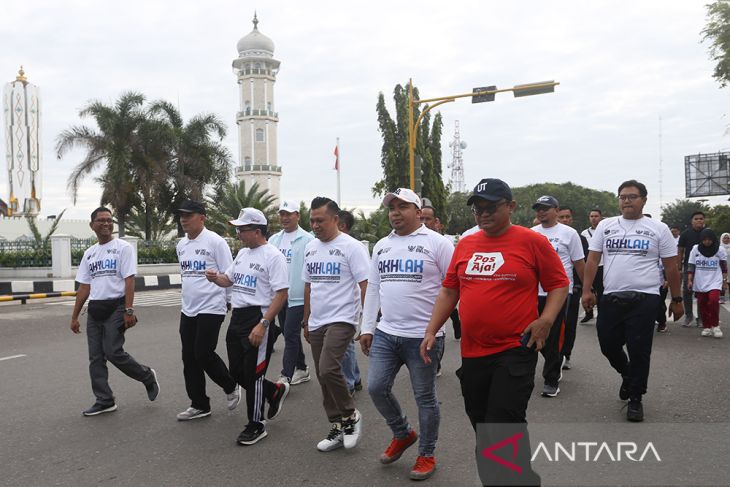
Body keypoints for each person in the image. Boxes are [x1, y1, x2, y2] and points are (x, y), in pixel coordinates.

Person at [419, 179, 569, 487]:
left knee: (502, 422)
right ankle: (520, 477)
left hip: (515, 348)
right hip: (474, 353)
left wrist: (546, 320)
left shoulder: (531, 242)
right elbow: (449, 290)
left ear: (510, 206)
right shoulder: (467, 244)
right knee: (482, 421)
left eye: (490, 207)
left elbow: (559, 284)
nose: (482, 214)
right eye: (477, 209)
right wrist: (431, 330)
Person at [361, 189, 454, 481]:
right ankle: (402, 433)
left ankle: (426, 453)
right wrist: (367, 327)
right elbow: (373, 288)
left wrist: (435, 329)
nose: (395, 212)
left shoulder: (438, 243)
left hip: (423, 337)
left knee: (425, 397)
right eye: (391, 207)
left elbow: (454, 288)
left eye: (402, 207)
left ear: (417, 210)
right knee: (376, 388)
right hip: (387, 333)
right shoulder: (381, 246)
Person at [582, 180, 683, 422]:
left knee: (639, 350)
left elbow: (671, 266)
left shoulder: (659, 229)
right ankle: (627, 375)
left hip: (645, 298)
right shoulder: (605, 226)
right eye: (623, 197)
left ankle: (636, 398)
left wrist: (677, 299)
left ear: (644, 200)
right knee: (608, 345)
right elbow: (593, 260)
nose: (627, 201)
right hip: (611, 296)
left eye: (632, 196)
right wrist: (587, 291)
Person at [206, 207, 290, 445]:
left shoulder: (273, 256)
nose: (238, 233)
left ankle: (257, 424)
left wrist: (264, 324)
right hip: (238, 317)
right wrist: (215, 278)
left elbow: (281, 293)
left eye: (242, 229)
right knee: (236, 372)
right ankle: (273, 391)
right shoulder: (242, 254)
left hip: (258, 317)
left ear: (256, 230)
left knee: (253, 375)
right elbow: (228, 280)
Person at [70, 207, 160, 416]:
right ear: (92, 225)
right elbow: (84, 287)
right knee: (96, 357)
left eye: (109, 220)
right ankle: (104, 399)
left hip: (117, 306)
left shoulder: (123, 248)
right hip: (95, 309)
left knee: (113, 352)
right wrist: (74, 317)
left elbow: (129, 280)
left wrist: (129, 310)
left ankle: (146, 376)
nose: (106, 223)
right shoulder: (89, 254)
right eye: (101, 220)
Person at [303, 197, 370, 452]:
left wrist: (367, 323)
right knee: (322, 376)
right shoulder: (310, 248)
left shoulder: (351, 247)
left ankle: (351, 414)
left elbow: (366, 285)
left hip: (342, 319)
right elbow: (308, 286)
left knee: (329, 368)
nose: (315, 225)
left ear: (336, 220)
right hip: (317, 320)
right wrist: (306, 321)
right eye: (312, 220)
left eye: (320, 220)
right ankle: (337, 424)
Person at [175, 200, 240, 421]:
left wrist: (230, 300)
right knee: (189, 357)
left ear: (202, 217)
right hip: (189, 308)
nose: (184, 219)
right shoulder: (181, 245)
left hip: (212, 305)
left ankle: (230, 385)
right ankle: (199, 404)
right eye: (182, 215)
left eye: (189, 215)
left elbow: (229, 273)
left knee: (203, 352)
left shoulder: (215, 242)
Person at [531, 197, 584, 396]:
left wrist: (587, 289)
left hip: (559, 292)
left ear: (556, 210)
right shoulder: (531, 234)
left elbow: (579, 263)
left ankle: (551, 379)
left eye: (545, 209)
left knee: (552, 336)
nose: (541, 212)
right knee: (531, 334)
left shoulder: (569, 234)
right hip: (534, 292)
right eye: (538, 209)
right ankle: (556, 360)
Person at [269, 200, 314, 386]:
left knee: (290, 333)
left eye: (289, 214)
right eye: (282, 214)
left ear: (298, 216)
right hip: (280, 297)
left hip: (298, 297)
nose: (285, 218)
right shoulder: (274, 240)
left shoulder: (308, 240)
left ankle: (285, 376)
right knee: (290, 335)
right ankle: (302, 369)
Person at [421, 205, 461, 341]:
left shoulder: (443, 241)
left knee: (448, 306)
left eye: (427, 219)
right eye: (421, 218)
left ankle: (456, 323)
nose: (424, 222)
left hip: (443, 283)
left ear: (435, 221)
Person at [556, 206, 588, 370]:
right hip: (548, 288)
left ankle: (565, 353)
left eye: (568, 217)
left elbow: (583, 264)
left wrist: (585, 287)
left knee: (568, 323)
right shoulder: (546, 235)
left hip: (572, 287)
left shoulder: (579, 238)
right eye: (561, 217)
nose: (565, 220)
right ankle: (553, 354)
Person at [336, 209, 363, 395]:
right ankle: (355, 376)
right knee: (347, 346)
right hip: (333, 307)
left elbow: (365, 282)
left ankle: (349, 383)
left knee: (345, 346)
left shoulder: (353, 247)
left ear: (342, 225)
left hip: (348, 305)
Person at [687, 228, 726, 338]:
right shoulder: (695, 249)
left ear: (713, 239)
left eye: (709, 239)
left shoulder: (720, 249)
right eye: (704, 240)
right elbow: (691, 265)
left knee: (713, 301)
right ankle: (707, 326)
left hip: (715, 280)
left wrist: (724, 281)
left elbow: (724, 266)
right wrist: (690, 280)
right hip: (700, 280)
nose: (707, 242)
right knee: (702, 304)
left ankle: (715, 325)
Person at [677, 211, 706, 326]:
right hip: (689, 265)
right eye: (696, 219)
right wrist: (679, 266)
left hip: (704, 266)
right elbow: (680, 251)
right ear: (691, 221)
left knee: (702, 293)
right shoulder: (685, 234)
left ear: (704, 220)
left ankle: (701, 317)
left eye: (701, 218)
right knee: (687, 291)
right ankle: (689, 316)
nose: (699, 220)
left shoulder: (707, 233)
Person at [580, 208, 604, 323]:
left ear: (601, 217)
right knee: (588, 290)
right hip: (589, 267)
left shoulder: (605, 231)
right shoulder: (584, 233)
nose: (594, 218)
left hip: (602, 266)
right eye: (592, 216)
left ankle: (601, 314)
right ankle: (589, 313)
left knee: (601, 291)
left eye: (596, 216)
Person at [720, 232, 730, 303]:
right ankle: (722, 297)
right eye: (724, 238)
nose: (726, 240)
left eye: (728, 238)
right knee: (722, 281)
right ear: (721, 239)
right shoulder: (719, 247)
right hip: (722, 267)